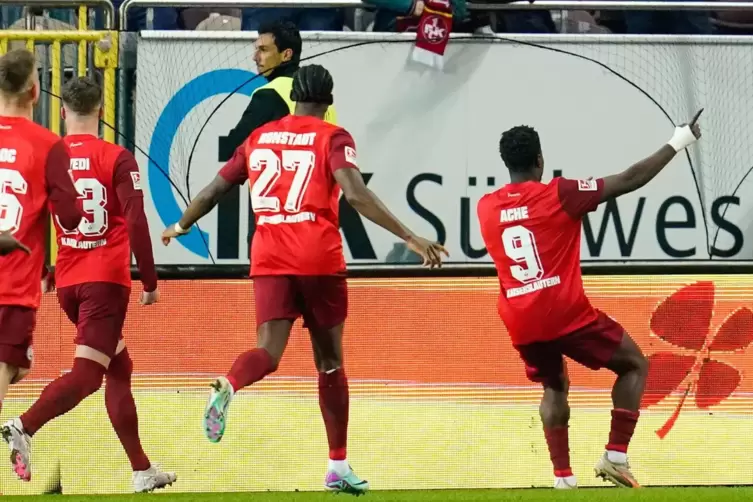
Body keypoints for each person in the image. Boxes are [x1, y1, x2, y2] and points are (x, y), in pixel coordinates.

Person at [162, 64, 448, 495]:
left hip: (269, 256)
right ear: (328, 102)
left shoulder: (258, 137)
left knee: (268, 351)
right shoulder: (333, 137)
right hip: (317, 257)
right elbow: (354, 193)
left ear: (293, 95)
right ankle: (337, 466)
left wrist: (180, 225)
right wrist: (410, 236)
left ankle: (231, 383)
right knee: (330, 363)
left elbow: (213, 191)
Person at [477, 110, 703, 489]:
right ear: (539, 160)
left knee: (554, 386)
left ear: (506, 163)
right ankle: (615, 456)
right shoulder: (560, 193)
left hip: (519, 318)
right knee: (633, 365)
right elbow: (630, 179)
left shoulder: (486, 206)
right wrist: (679, 141)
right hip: (564, 313)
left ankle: (563, 480)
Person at [1, 76, 177, 493]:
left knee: (120, 366)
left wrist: (45, 270)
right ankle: (23, 426)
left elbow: (36, 216)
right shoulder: (117, 158)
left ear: (63, 112)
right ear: (102, 110)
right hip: (105, 283)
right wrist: (149, 280)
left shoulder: (51, 158)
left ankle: (141, 469)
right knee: (86, 376)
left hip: (68, 283)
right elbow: (135, 219)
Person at [0, 49, 83, 435]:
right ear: (35, 91)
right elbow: (70, 217)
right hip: (11, 286)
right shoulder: (49, 144)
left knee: (17, 365)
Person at [219, 20, 336, 252]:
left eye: (263, 50)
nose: (255, 57)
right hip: (321, 218)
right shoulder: (323, 100)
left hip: (275, 220)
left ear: (286, 55)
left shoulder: (269, 94)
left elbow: (233, 148)